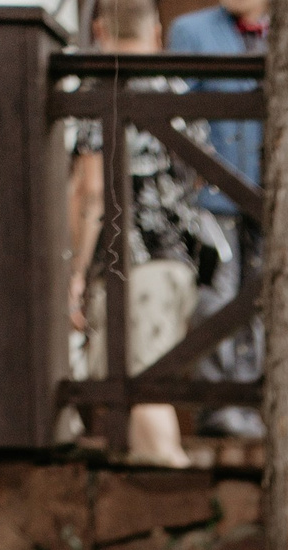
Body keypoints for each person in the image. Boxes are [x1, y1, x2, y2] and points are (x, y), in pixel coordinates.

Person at [67, 0, 203, 466]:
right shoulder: (178, 89)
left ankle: (174, 479)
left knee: (143, 388)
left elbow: (92, 193)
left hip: (130, 262)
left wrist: (76, 271)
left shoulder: (100, 89)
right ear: (156, 32)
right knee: (146, 382)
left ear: (100, 31)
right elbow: (199, 178)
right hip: (179, 261)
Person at [168, 0, 268, 440]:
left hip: (270, 199)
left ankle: (251, 404)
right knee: (216, 299)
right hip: (211, 197)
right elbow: (173, 111)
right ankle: (219, 406)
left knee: (260, 301)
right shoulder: (190, 30)